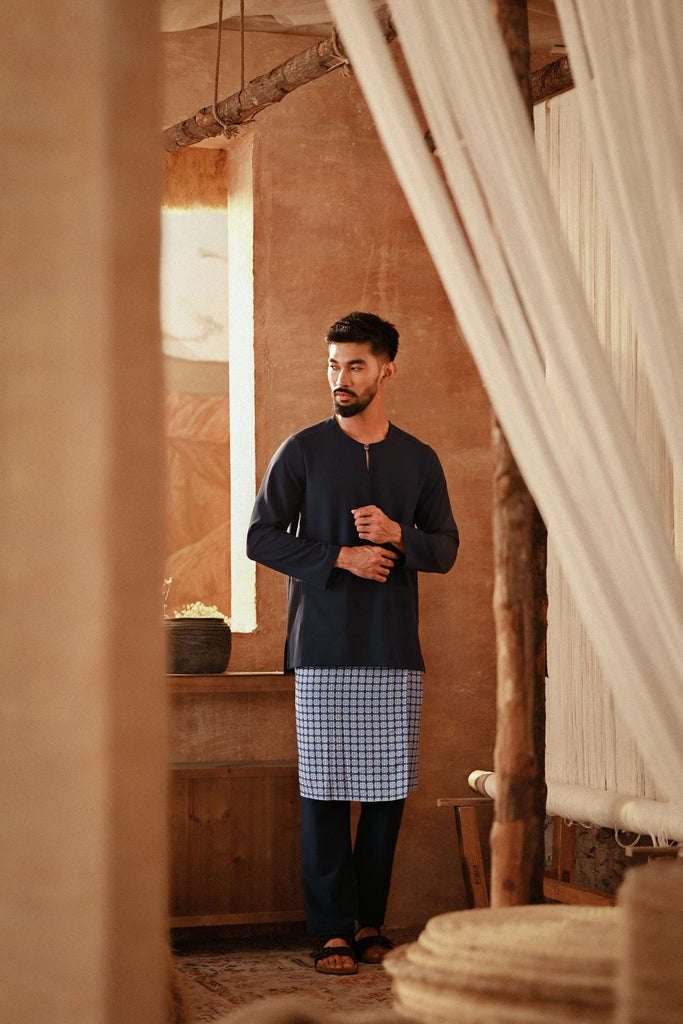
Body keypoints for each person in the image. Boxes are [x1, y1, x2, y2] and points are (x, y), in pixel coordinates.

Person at [246, 312, 459, 975]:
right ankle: (332, 930)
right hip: (323, 647)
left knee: (387, 795)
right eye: (333, 365)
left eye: (355, 365)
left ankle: (369, 923)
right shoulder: (302, 450)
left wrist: (397, 535)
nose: (340, 378)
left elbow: (445, 548)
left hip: (392, 649)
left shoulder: (418, 458)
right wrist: (341, 556)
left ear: (386, 369)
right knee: (325, 794)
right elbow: (260, 537)